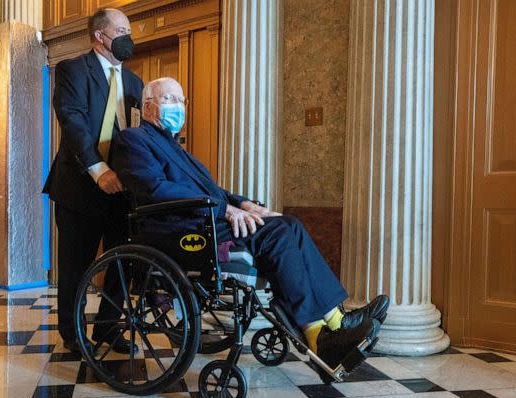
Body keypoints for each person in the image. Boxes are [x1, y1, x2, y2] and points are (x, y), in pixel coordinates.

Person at [111, 78, 389, 368]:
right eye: (170, 100)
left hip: (208, 218)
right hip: (183, 228)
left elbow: (215, 191)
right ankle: (317, 335)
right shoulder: (133, 140)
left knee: (289, 224)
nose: (178, 107)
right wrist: (227, 210)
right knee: (278, 235)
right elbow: (155, 189)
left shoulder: (178, 149)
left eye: (182, 101)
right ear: (148, 106)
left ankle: (337, 319)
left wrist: (244, 203)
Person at [42, 8, 143, 354]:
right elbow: (75, 124)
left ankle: (108, 329)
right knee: (76, 265)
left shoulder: (133, 82)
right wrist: (99, 171)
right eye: (122, 30)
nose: (129, 36)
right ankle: (73, 334)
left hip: (122, 192)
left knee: (120, 262)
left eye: (130, 30)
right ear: (100, 36)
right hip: (80, 187)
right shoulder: (73, 71)